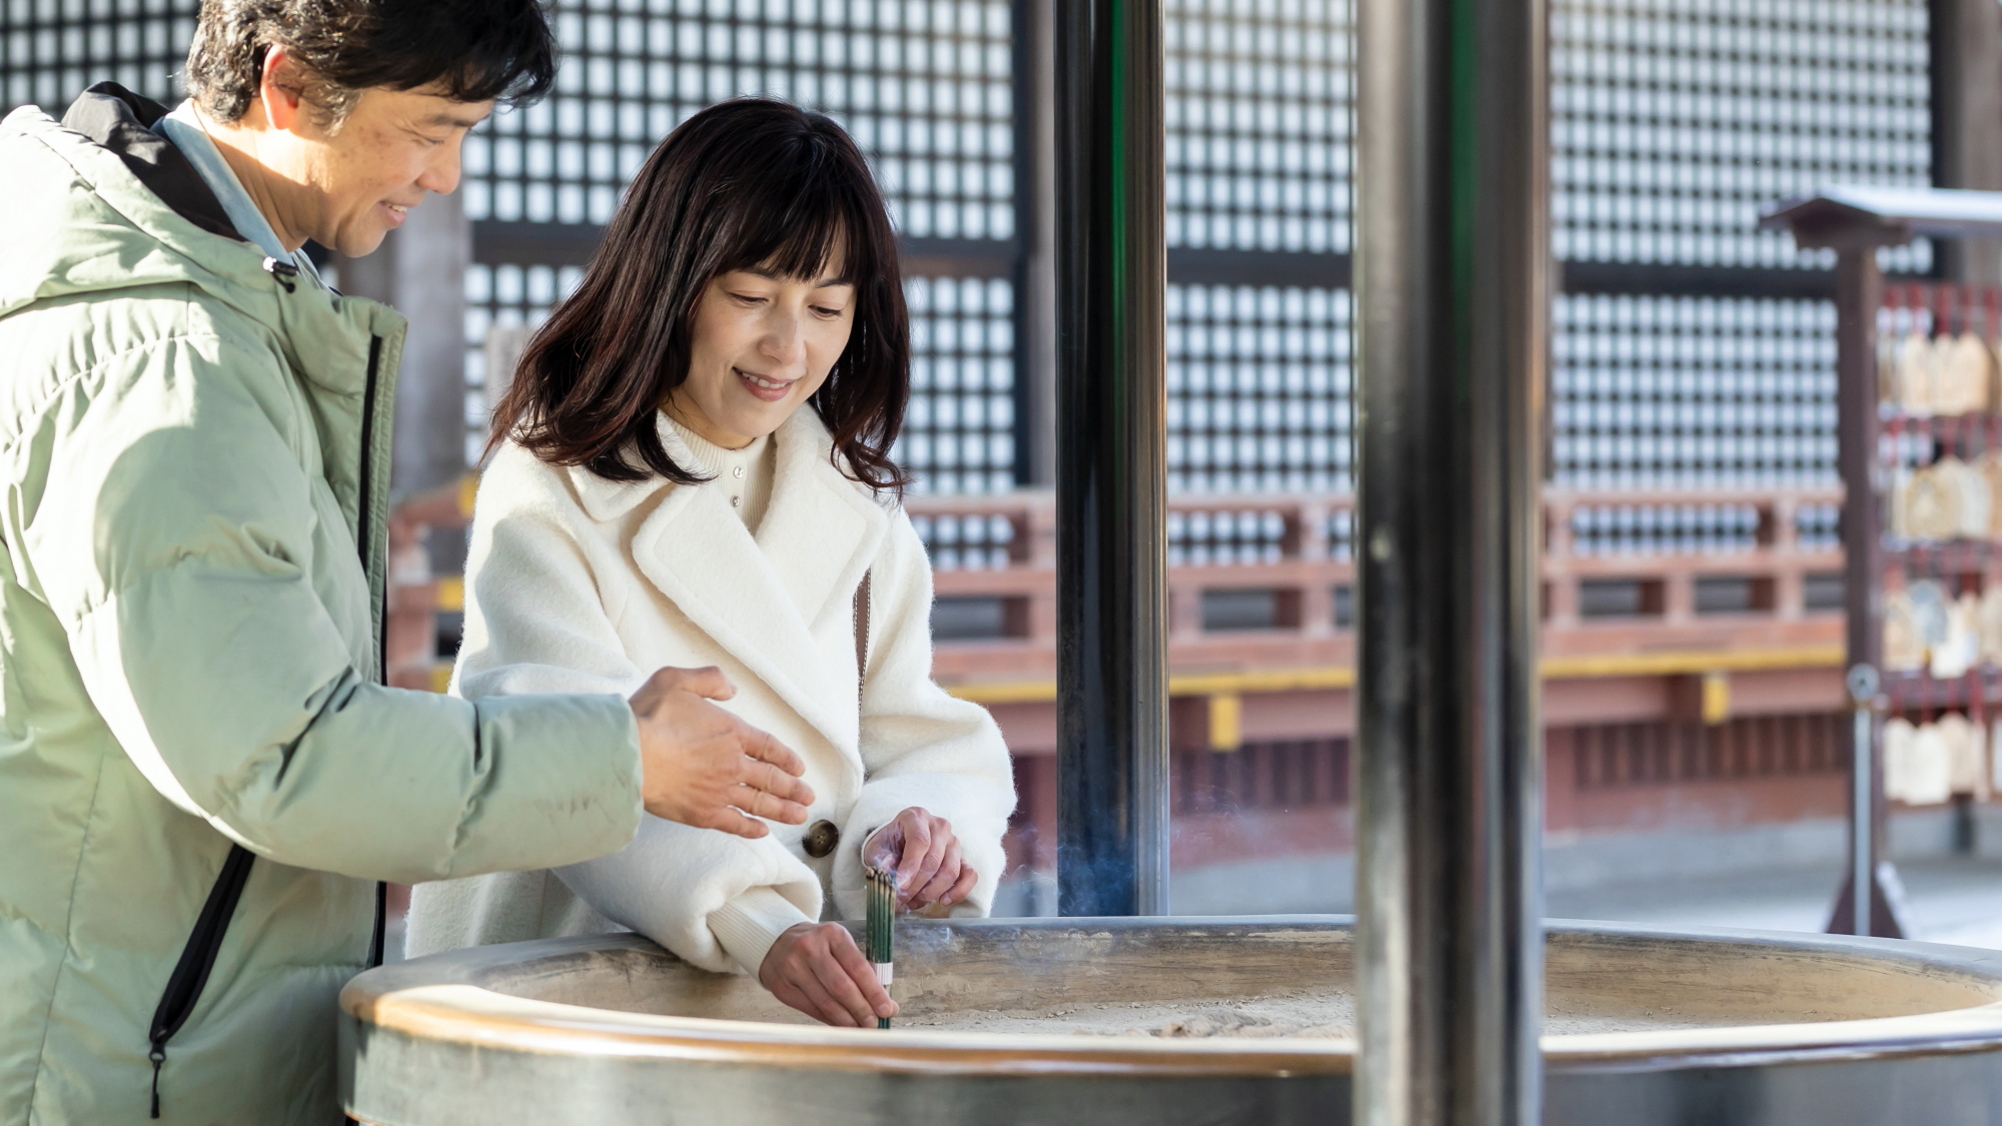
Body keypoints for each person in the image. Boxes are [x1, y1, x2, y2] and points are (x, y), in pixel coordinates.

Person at [0, 3, 817, 1123]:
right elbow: (285, 756)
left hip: (147, 1025)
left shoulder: (228, 305)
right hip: (132, 1064)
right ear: (286, 87)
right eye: (430, 129)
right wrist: (627, 761)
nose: (445, 177)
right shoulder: (168, 363)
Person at [406, 99, 1017, 1028]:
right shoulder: (553, 486)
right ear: (668, 283)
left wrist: (915, 830)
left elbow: (911, 737)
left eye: (825, 307)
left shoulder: (854, 505)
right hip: (586, 998)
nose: (789, 346)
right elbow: (558, 755)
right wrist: (754, 919)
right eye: (749, 297)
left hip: (800, 993)